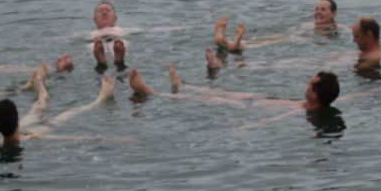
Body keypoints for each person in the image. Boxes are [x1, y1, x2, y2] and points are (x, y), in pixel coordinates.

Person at [129, 64, 340, 113]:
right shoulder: (310, 103)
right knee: (220, 92)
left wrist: (253, 127)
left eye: (309, 85)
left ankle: (151, 92)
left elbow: (280, 117)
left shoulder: (304, 110)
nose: (305, 85)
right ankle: (181, 85)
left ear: (315, 95)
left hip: (249, 107)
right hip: (256, 99)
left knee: (208, 100)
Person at [0, 73, 116, 144]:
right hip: (30, 133)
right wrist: (119, 140)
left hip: (20, 131)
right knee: (66, 113)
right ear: (17, 120)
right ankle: (99, 99)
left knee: (35, 112)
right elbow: (76, 138)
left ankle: (42, 95)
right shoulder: (33, 138)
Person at [213, 0, 340, 53]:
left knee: (270, 41)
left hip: (297, 38)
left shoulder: (336, 28)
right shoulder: (308, 23)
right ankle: (226, 41)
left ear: (333, 13)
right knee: (263, 38)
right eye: (316, 9)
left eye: (323, 10)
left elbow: (346, 31)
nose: (318, 12)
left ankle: (237, 44)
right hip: (292, 34)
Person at [90, 1, 128, 71]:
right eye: (100, 11)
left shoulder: (122, 30)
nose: (104, 13)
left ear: (115, 18)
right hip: (98, 40)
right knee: (93, 45)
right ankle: (113, 61)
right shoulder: (91, 34)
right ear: (94, 19)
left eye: (108, 11)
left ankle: (106, 62)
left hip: (117, 38)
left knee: (120, 43)